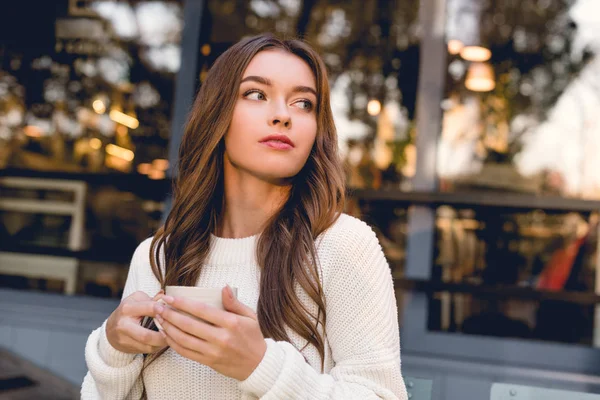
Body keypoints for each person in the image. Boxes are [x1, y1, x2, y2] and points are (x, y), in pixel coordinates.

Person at [81, 33, 408, 400]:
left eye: (303, 103)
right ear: (217, 113)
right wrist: (113, 348)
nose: (283, 115)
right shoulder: (157, 255)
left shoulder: (343, 245)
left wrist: (260, 366)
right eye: (256, 94)